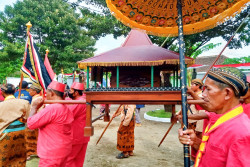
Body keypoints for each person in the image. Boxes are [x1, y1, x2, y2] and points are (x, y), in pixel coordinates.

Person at [178, 67, 250, 167]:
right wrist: (195, 142)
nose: (203, 95)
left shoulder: (241, 133)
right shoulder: (218, 118)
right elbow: (212, 156)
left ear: (227, 93)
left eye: (208, 89)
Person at [27, 81, 74, 167]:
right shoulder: (66, 107)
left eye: (46, 93)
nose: (45, 95)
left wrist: (34, 107)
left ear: (52, 93)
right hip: (64, 149)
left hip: (51, 152)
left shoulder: (52, 108)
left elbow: (30, 124)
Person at [0, 84, 30, 166]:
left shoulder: (1, 105)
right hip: (22, 133)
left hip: (5, 135)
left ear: (2, 92)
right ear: (14, 91)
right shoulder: (24, 102)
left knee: (4, 160)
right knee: (20, 159)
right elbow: (28, 118)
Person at [65, 82, 90, 167]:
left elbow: (67, 115)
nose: (69, 92)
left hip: (76, 135)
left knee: (69, 159)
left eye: (71, 90)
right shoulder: (83, 99)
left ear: (76, 93)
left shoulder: (79, 102)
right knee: (79, 159)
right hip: (83, 135)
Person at [25, 84, 44, 160]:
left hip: (35, 120)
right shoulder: (36, 98)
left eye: (30, 90)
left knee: (30, 138)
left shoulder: (37, 99)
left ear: (34, 91)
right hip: (35, 119)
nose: (29, 91)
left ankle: (30, 153)